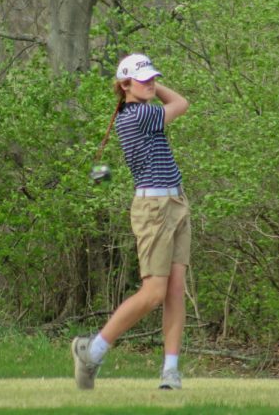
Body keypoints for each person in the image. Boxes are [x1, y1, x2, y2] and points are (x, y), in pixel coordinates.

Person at [72, 53, 191, 390]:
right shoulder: (137, 115)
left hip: (177, 202)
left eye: (154, 77)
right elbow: (181, 103)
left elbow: (172, 101)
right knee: (154, 293)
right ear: (125, 85)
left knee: (175, 292)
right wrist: (149, 89)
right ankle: (91, 351)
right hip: (153, 208)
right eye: (143, 79)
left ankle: (170, 371)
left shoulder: (139, 107)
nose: (151, 82)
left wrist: (145, 82)